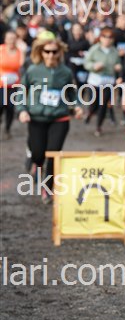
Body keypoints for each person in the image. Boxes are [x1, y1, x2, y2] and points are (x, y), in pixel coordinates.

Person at [15, 32, 83, 204]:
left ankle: (47, 188)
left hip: (59, 118)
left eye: (54, 52)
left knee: (53, 154)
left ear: (59, 53)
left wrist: (76, 106)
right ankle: (36, 163)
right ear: (41, 52)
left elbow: (72, 93)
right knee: (38, 153)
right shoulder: (33, 70)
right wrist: (22, 110)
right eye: (47, 51)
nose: (51, 55)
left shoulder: (65, 72)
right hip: (37, 118)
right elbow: (21, 92)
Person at [83, 27, 122, 136]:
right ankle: (90, 113)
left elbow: (118, 63)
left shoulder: (114, 51)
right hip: (95, 81)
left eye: (110, 37)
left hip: (108, 81)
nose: (107, 39)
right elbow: (86, 63)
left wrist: (118, 67)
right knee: (93, 103)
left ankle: (98, 126)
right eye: (105, 37)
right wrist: (94, 66)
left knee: (103, 104)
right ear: (100, 38)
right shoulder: (94, 49)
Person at [0, 30, 25, 139]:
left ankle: (7, 129)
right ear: (5, 39)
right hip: (1, 84)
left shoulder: (19, 51)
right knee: (1, 105)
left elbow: (21, 65)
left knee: (10, 107)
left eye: (13, 38)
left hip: (14, 84)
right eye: (9, 38)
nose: (11, 41)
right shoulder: (1, 49)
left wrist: (23, 50)